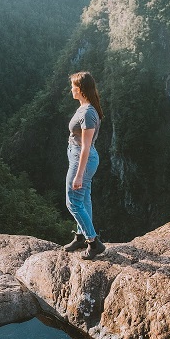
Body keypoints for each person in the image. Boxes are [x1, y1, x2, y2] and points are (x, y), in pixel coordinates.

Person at [63, 71, 105, 259]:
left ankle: (93, 242)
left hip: (83, 159)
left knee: (72, 201)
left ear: (79, 89)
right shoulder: (84, 107)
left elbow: (86, 147)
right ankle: (80, 237)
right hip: (78, 155)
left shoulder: (88, 113)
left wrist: (79, 174)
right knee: (83, 199)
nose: (71, 89)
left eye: (73, 86)